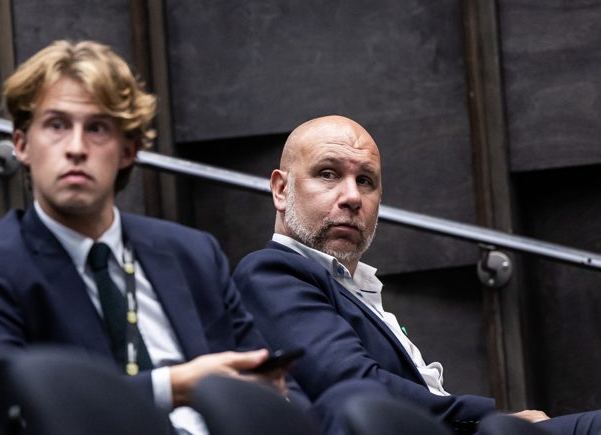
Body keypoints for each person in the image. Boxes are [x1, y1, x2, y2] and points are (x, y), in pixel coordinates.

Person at [0, 40, 300, 435]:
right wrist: (171, 387)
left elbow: (268, 376)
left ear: (129, 150)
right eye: (57, 125)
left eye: (97, 128)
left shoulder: (193, 253)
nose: (76, 148)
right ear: (22, 145)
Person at [232, 115, 601, 435]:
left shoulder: (355, 289)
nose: (352, 197)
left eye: (366, 181)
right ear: (281, 190)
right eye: (328, 174)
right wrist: (490, 417)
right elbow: (355, 386)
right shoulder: (271, 271)